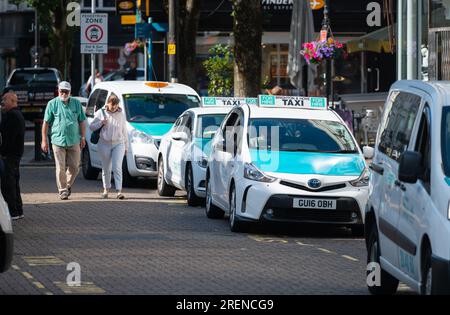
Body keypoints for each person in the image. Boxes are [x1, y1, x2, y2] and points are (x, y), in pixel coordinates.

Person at [41, 81, 87, 200]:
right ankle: (62, 190)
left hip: (74, 140)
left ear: (70, 92)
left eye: (66, 91)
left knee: (75, 167)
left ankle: (66, 185)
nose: (64, 93)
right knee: (60, 167)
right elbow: (45, 123)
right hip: (57, 140)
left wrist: (83, 137)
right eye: (62, 91)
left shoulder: (76, 104)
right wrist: (44, 140)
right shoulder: (52, 104)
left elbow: (82, 121)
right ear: (58, 91)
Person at [90, 93, 128, 199]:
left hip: (118, 143)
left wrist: (126, 146)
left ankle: (119, 191)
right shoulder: (100, 113)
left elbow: (124, 131)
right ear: (108, 103)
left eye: (116, 105)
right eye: (112, 106)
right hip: (104, 143)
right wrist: (101, 123)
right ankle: (106, 190)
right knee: (106, 167)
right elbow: (91, 127)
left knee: (117, 167)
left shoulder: (121, 114)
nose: (114, 108)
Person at [0, 92, 25, 220]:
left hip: (10, 155)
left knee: (8, 184)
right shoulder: (15, 114)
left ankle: (13, 212)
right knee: (14, 182)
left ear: (12, 101)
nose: (2, 102)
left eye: (4, 100)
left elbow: (8, 138)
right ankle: (18, 210)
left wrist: (3, 152)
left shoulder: (12, 116)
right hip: (14, 154)